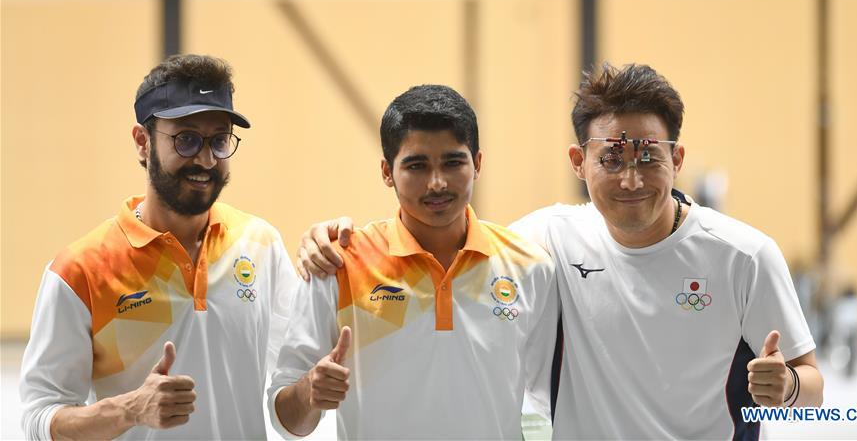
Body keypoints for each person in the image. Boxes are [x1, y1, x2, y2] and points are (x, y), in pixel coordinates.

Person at [296, 64, 824, 440]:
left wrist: (789, 389)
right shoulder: (544, 241)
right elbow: (447, 232)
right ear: (578, 161)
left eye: (648, 155)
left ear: (677, 156)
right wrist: (329, 236)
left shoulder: (744, 255)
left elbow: (815, 391)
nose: (631, 178)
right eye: (611, 159)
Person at [20, 55, 298, 440]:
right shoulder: (79, 271)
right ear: (142, 143)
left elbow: (293, 380)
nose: (205, 159)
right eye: (185, 139)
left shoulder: (261, 244)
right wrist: (130, 409)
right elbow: (38, 420)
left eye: (219, 141)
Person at [268, 85, 557, 439]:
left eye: (453, 162)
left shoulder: (530, 267)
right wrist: (310, 392)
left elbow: (553, 402)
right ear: (387, 172)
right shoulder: (338, 264)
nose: (437, 183)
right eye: (416, 165)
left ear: (477, 163)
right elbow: (286, 420)